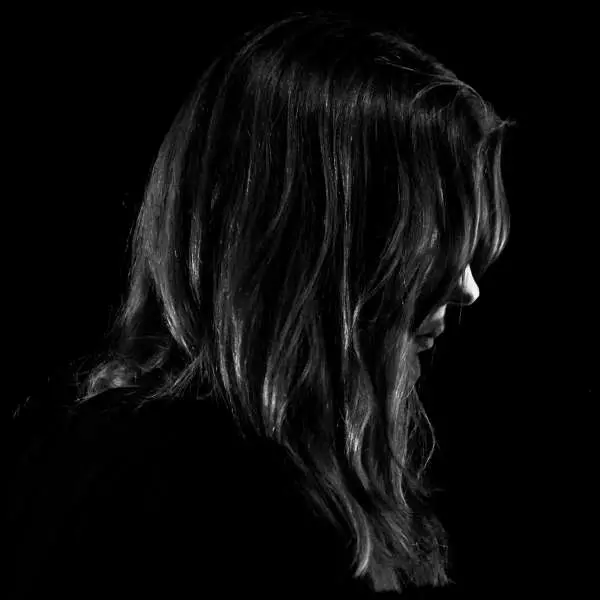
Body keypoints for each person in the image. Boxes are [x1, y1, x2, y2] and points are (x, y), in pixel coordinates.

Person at [7, 9, 516, 598]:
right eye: (439, 232)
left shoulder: (297, 476)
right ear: (320, 245)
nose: (468, 287)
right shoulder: (186, 492)